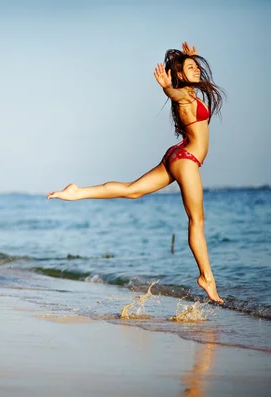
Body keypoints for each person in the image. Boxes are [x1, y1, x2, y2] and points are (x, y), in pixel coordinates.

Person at [47, 42, 225, 304]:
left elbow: (180, 89)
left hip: (177, 154)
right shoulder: (184, 95)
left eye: (197, 66)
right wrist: (167, 87)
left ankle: (77, 192)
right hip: (186, 161)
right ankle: (206, 277)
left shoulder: (188, 91)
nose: (197, 70)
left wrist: (191, 58)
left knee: (133, 190)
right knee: (196, 220)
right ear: (179, 75)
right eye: (191, 68)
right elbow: (174, 95)